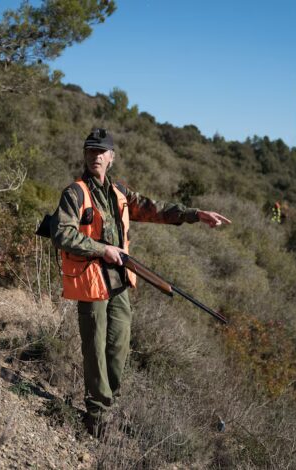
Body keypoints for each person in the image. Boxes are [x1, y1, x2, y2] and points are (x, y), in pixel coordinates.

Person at [50, 128, 230, 436]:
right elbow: (62, 234)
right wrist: (102, 249)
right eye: (90, 151)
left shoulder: (118, 191)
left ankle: (108, 402)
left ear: (111, 157)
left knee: (118, 347)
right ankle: (97, 416)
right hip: (91, 282)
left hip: (118, 282)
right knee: (94, 348)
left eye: (101, 151)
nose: (95, 156)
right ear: (85, 155)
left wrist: (195, 214)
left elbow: (153, 208)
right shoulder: (75, 193)